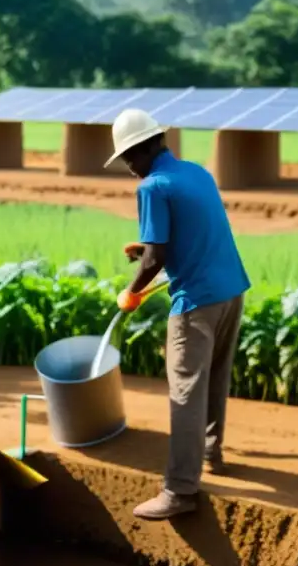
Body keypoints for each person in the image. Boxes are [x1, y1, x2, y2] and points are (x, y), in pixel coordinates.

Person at [104, 109, 251, 521]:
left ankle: (180, 490)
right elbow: (194, 232)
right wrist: (148, 250)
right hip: (230, 290)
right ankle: (211, 453)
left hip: (197, 301)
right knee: (215, 377)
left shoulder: (152, 187)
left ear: (144, 148)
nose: (129, 169)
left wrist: (132, 291)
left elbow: (157, 257)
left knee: (184, 392)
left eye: (129, 158)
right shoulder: (197, 173)